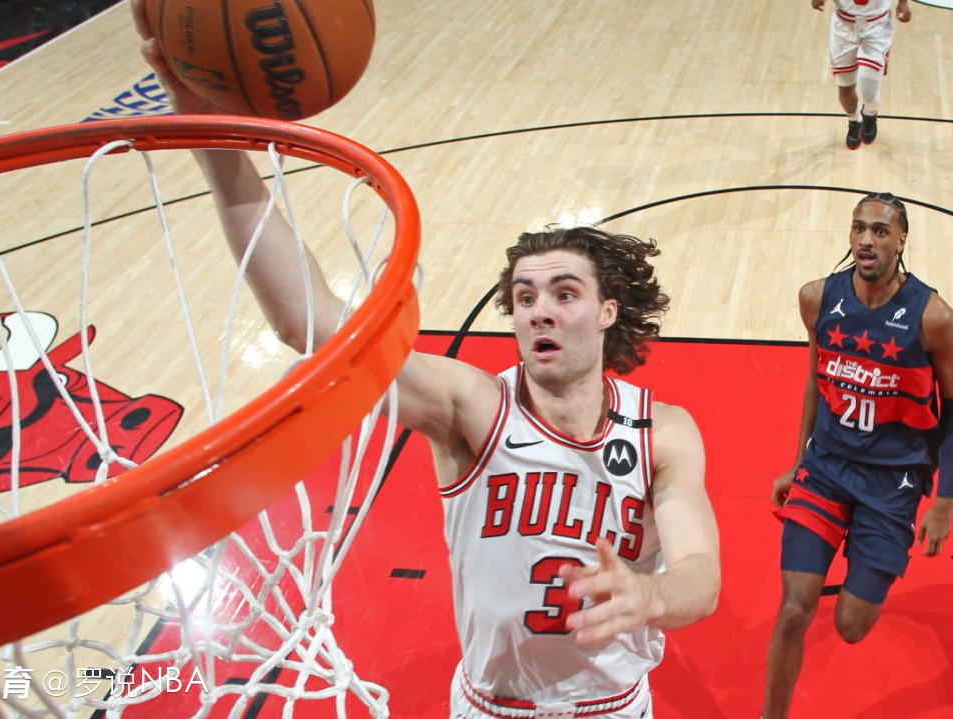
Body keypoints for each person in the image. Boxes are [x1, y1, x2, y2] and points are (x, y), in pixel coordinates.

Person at [132, 3, 720, 716]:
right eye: (524, 296)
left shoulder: (663, 431)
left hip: (613, 708)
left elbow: (700, 576)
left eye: (565, 293)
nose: (538, 309)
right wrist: (211, 137)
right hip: (488, 707)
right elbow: (307, 323)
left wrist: (649, 594)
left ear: (607, 312)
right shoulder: (472, 407)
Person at [763, 192, 953, 719]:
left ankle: (866, 559)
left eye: (880, 231)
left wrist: (945, 499)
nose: (866, 239)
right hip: (825, 468)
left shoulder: (933, 317)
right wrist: (798, 460)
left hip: (893, 482)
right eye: (859, 228)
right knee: (793, 610)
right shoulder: (816, 298)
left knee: (851, 626)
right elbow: (815, 380)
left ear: (901, 241)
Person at [810, 0, 911, 150]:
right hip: (844, 25)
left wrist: (903, 3)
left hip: (877, 26)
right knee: (845, 89)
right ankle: (855, 120)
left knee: (868, 93)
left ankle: (870, 113)